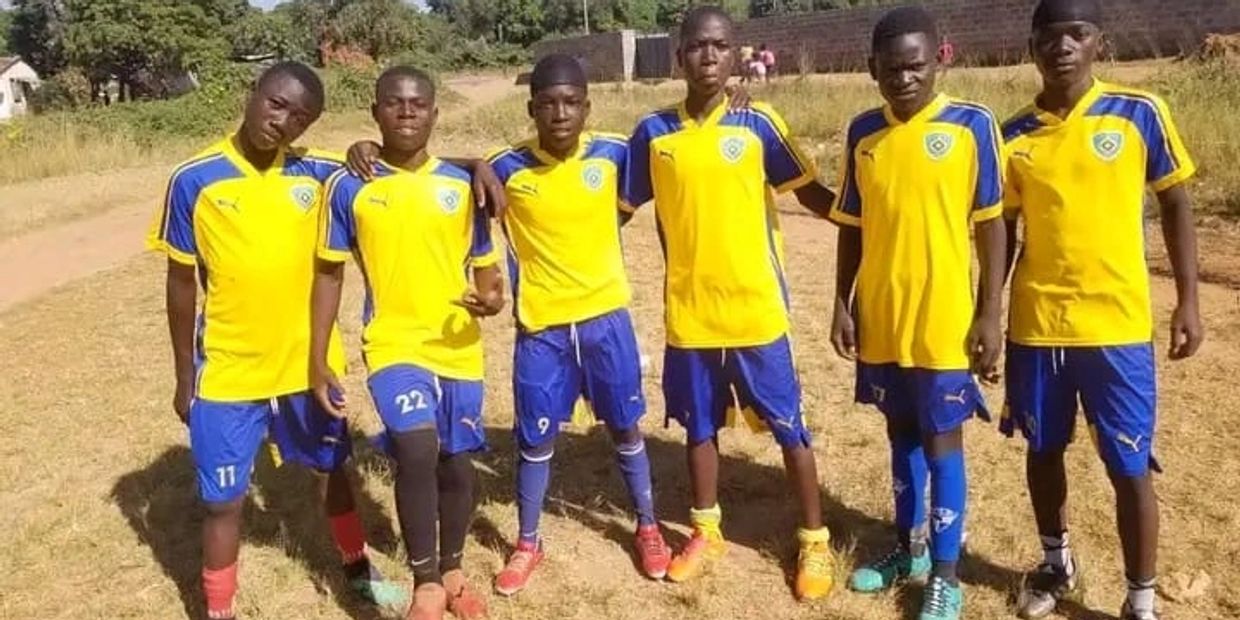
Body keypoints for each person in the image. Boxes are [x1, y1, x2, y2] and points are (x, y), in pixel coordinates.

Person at [146, 61, 407, 620]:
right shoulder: (195, 178)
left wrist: (473, 165)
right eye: (276, 104)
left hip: (306, 365)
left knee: (331, 473)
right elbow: (179, 284)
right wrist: (183, 377)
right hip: (229, 368)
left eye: (300, 118)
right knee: (223, 500)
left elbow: (409, 170)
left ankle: (358, 573)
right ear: (252, 94)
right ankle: (219, 609)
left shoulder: (316, 173)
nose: (283, 121)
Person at [621, 4, 838, 601]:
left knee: (789, 427)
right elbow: (612, 205)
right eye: (696, 46)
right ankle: (706, 529)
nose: (708, 56)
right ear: (678, 55)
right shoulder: (653, 134)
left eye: (719, 45)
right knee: (698, 426)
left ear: (735, 53)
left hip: (755, 308)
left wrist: (869, 216)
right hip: (690, 312)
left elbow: (813, 194)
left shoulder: (757, 123)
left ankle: (814, 538)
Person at [999, 1, 1203, 619]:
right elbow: (1003, 230)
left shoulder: (1139, 113)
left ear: (1098, 44)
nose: (1062, 47)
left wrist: (1189, 299)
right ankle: (1056, 563)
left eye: (1076, 34)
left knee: (1129, 464)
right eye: (1049, 37)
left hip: (1116, 325)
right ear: (1032, 47)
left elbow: (1176, 202)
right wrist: (987, 312)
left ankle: (1141, 598)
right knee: (1042, 452)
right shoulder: (1013, 135)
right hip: (1037, 326)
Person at [827, 7, 1006, 620]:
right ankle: (909, 549)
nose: (904, 78)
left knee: (942, 442)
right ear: (872, 67)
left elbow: (991, 227)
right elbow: (850, 228)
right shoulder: (862, 133)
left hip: (942, 319)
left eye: (916, 66)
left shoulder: (969, 125)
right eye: (891, 68)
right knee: (899, 433)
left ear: (941, 59)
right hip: (881, 314)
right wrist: (841, 303)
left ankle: (947, 575)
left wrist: (990, 314)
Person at [310, 66, 505, 620]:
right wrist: (316, 355)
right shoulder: (350, 186)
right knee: (416, 448)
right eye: (393, 104)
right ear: (375, 113)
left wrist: (492, 301)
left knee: (456, 462)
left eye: (418, 104)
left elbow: (488, 275)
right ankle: (425, 583)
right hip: (393, 343)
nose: (406, 113)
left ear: (435, 114)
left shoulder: (463, 187)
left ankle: (454, 570)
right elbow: (329, 274)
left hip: (458, 347)